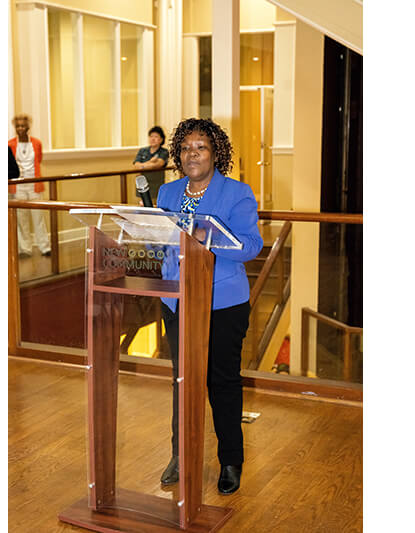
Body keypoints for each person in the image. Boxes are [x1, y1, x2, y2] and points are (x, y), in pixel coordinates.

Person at [156, 118, 263, 495]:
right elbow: (162, 241)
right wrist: (147, 235)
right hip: (176, 300)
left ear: (216, 153)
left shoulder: (237, 193)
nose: (192, 154)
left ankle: (230, 460)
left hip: (223, 302)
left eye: (200, 147)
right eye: (186, 148)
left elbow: (251, 246)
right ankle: (180, 454)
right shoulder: (167, 193)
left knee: (222, 381)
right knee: (183, 380)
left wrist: (209, 236)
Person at [9, 114, 51, 257]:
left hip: (34, 184)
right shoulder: (10, 144)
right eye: (18, 126)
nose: (20, 128)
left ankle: (44, 246)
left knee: (38, 216)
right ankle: (25, 248)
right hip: (18, 185)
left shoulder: (37, 143)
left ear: (28, 127)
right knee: (22, 218)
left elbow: (39, 159)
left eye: (23, 126)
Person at [132, 126, 170, 203]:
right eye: (151, 136)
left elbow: (158, 164)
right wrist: (150, 162)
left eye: (156, 137)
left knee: (155, 206)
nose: (153, 139)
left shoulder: (164, 151)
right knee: (141, 205)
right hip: (142, 184)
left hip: (156, 185)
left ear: (161, 139)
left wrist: (142, 166)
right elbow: (136, 165)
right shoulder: (143, 150)